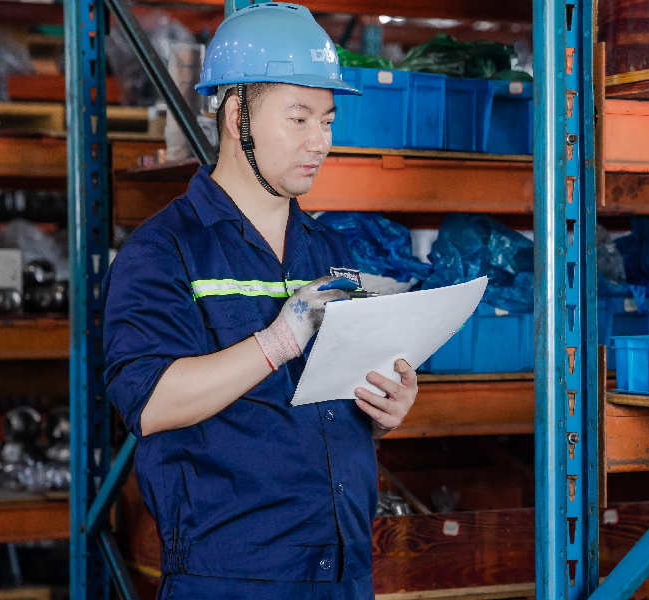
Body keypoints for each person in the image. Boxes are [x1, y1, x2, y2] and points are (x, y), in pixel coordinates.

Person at [102, 4, 416, 598]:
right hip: (231, 577)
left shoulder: (329, 250)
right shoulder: (165, 251)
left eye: (327, 121)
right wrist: (278, 340)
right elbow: (149, 403)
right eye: (298, 119)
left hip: (343, 570)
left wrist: (383, 411)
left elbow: (325, 409)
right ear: (236, 114)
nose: (319, 142)